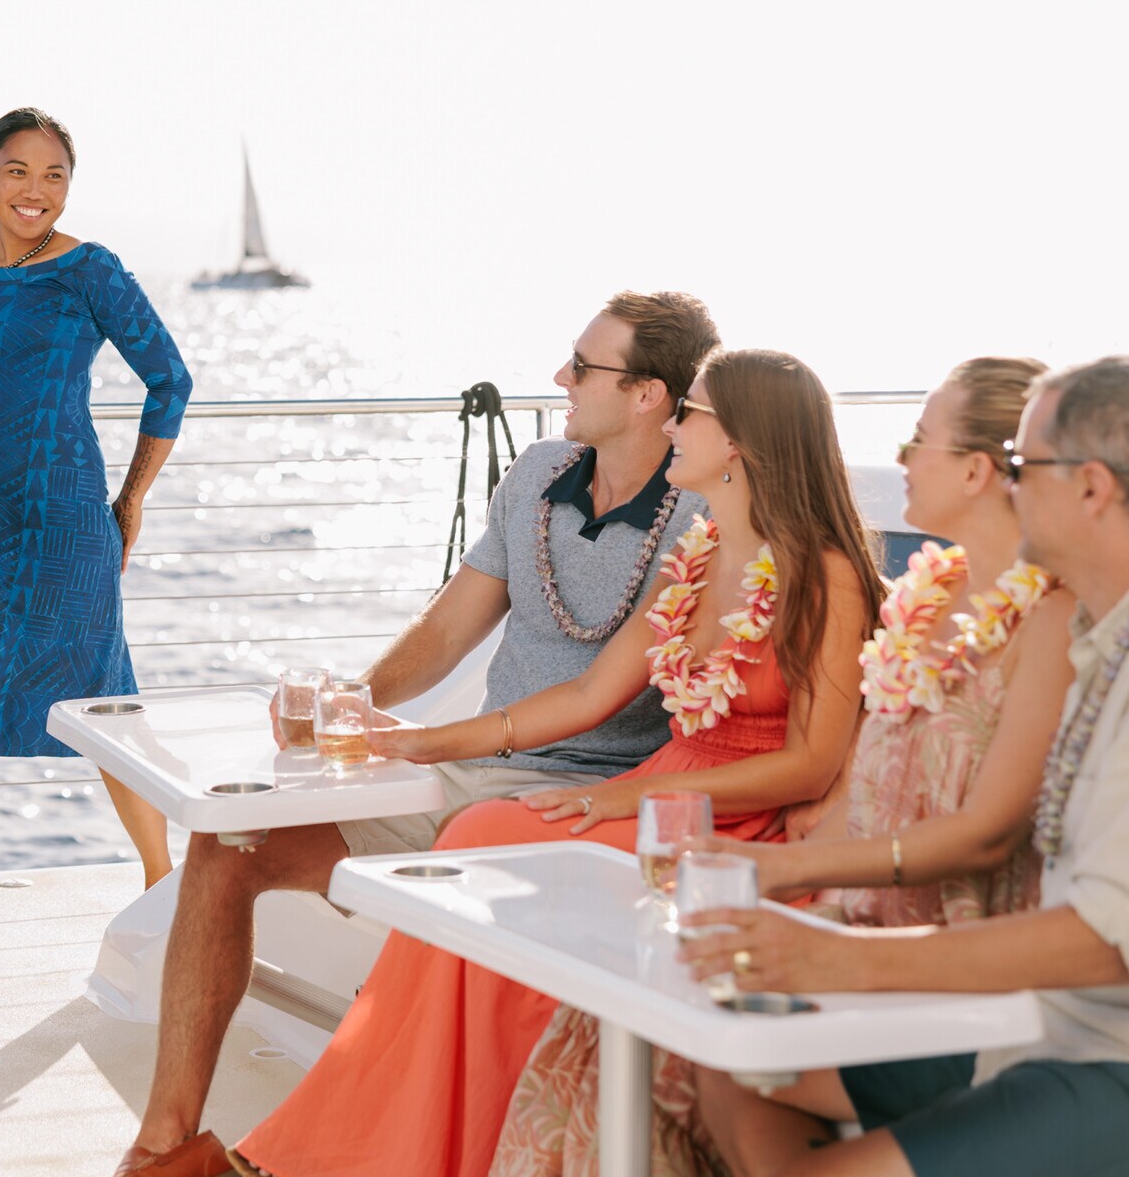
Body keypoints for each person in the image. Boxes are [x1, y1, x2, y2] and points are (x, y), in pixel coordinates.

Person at [229, 348, 884, 1177]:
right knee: (481, 830)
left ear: (744, 442)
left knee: (489, 846)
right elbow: (585, 696)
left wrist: (626, 804)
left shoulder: (824, 575)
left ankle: (388, 1150)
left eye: (694, 413)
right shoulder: (699, 557)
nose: (675, 427)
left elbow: (813, 765)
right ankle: (367, 1144)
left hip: (729, 816)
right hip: (654, 796)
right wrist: (426, 740)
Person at [117, 292, 721, 1176]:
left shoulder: (701, 522)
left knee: (420, 888)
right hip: (468, 772)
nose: (560, 378)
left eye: (583, 368)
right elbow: (448, 629)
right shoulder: (539, 472)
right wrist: (352, 701)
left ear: (648, 397)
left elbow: (599, 695)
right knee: (225, 848)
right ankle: (166, 1148)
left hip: (568, 802)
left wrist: (425, 743)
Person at [490, 356, 1076, 1176]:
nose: (899, 459)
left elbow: (980, 838)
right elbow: (871, 774)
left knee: (674, 1029)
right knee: (614, 1014)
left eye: (919, 442)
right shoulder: (929, 596)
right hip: (855, 909)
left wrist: (778, 867)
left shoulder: (1050, 622)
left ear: (979, 471)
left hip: (954, 950)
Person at [684, 356, 1129, 1177]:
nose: (1007, 483)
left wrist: (840, 956)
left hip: (1087, 1050)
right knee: (715, 1059)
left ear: (1093, 487)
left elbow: (1106, 942)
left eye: (1023, 468)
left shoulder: (1075, 638)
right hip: (1035, 1018)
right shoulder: (1105, 642)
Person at [0, 107, 193, 970]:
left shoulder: (92, 271)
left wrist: (131, 497)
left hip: (67, 523)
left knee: (104, 704)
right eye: (18, 171)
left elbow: (169, 379)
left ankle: (159, 877)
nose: (36, 190)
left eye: (54, 175)